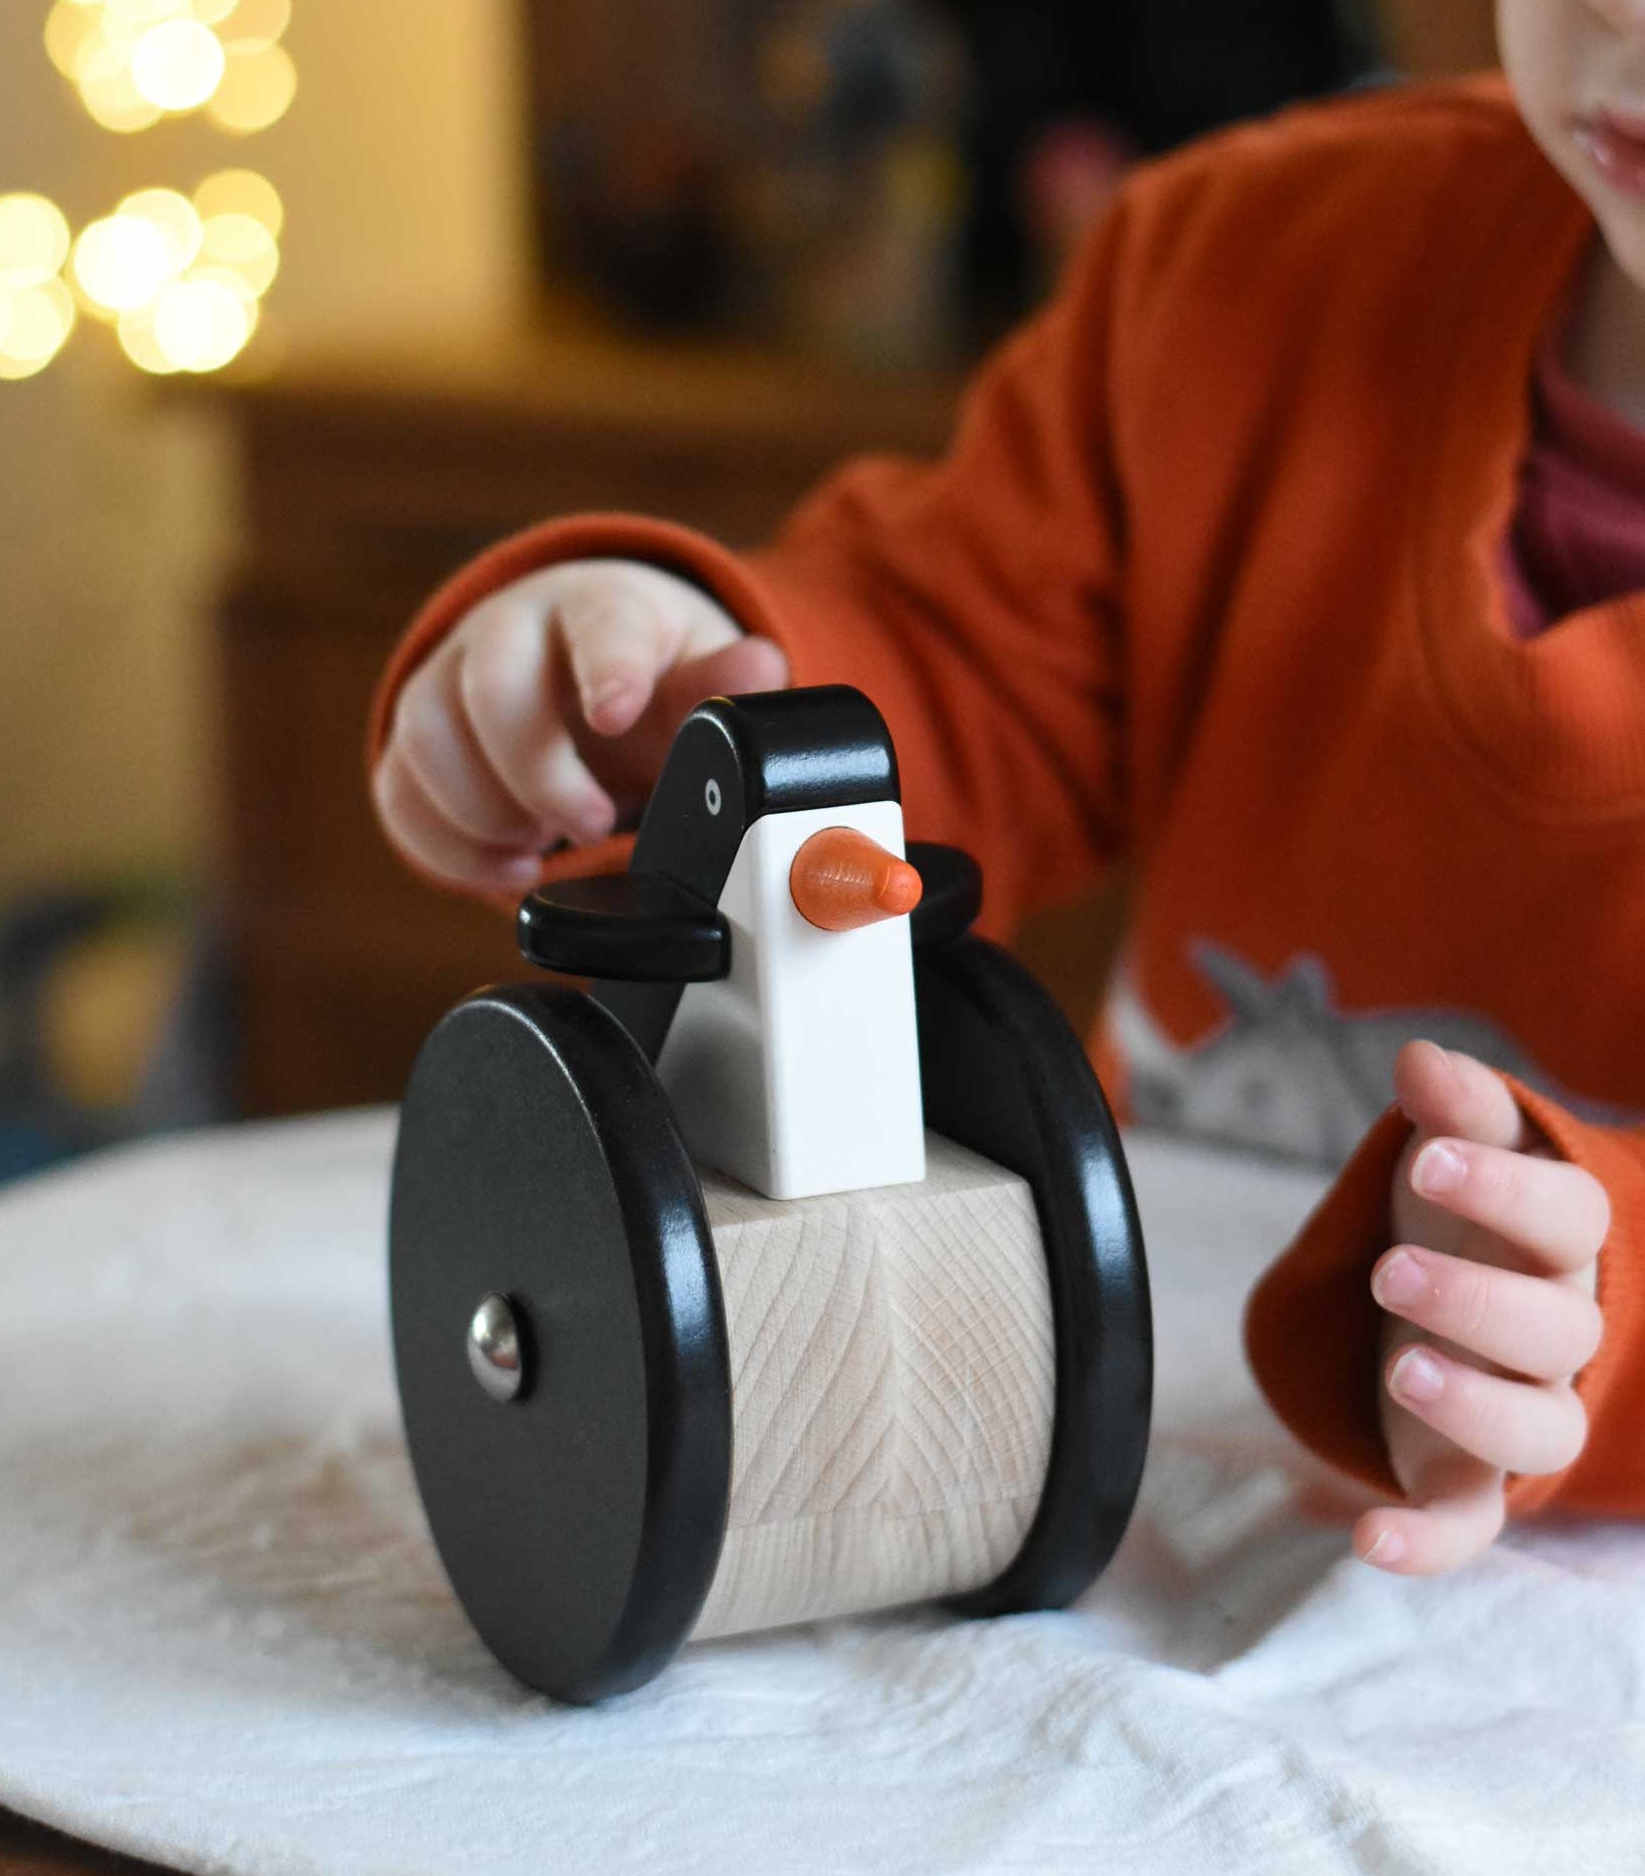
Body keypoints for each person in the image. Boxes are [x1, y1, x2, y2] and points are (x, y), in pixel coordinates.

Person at [367, 1, 1645, 1579]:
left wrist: (1595, 1317)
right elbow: (957, 665)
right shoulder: (1242, 264)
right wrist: (691, 708)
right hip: (1113, 1444)